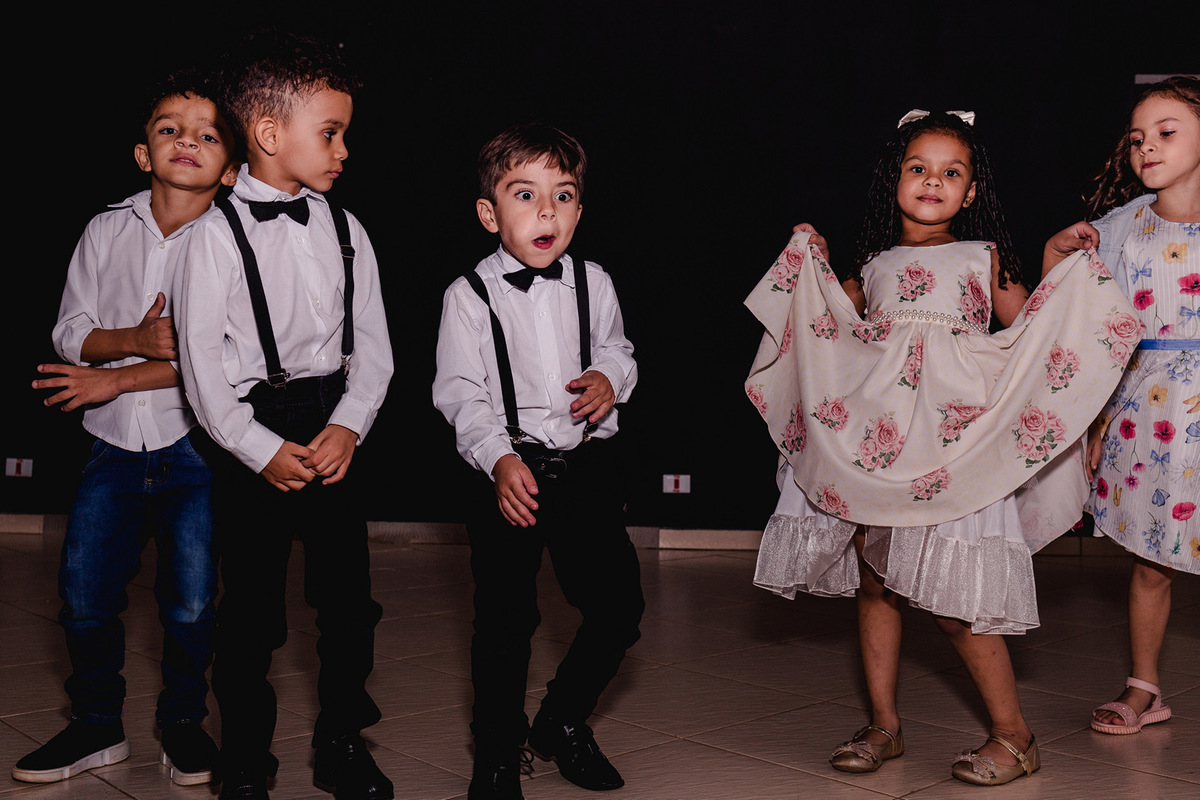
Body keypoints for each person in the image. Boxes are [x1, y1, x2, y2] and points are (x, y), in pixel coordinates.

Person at [745, 110, 1135, 786]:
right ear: (892, 179)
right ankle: (884, 725)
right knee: (875, 581)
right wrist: (813, 263)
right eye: (919, 168)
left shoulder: (982, 257)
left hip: (951, 444)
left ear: (973, 192)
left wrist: (1053, 258)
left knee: (956, 602)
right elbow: (823, 330)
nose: (934, 181)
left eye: (952, 172)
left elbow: (1033, 324)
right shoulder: (873, 265)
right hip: (878, 441)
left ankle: (1015, 736)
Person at [173, 32, 393, 800]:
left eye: (343, 134)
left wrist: (349, 425)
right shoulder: (209, 241)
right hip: (251, 437)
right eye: (330, 133)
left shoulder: (346, 227)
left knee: (348, 608)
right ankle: (245, 762)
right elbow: (201, 376)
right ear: (270, 135)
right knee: (252, 618)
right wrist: (259, 448)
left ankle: (340, 745)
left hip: (332, 421)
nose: (342, 150)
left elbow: (376, 351)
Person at [15, 72, 237, 786]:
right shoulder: (104, 229)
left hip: (196, 447)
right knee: (83, 593)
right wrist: (134, 337)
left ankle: (181, 725)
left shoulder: (235, 244)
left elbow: (230, 363)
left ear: (231, 167)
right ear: (144, 153)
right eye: (170, 128)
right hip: (111, 443)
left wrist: (118, 370)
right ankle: (96, 727)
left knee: (193, 600)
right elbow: (71, 333)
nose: (187, 141)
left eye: (208, 134)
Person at [433, 123, 643, 800]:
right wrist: (496, 459)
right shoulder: (468, 296)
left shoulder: (596, 282)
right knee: (504, 623)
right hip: (508, 475)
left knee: (618, 608)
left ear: (580, 210)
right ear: (490, 214)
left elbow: (618, 348)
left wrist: (612, 378)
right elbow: (460, 393)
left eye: (563, 195)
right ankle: (496, 754)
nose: (546, 211)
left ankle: (561, 720)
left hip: (586, 469)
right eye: (525, 195)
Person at [1048, 76, 1199, 736]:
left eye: (1167, 131)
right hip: (1152, 409)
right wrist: (1057, 251)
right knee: (1151, 561)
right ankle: (1144, 689)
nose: (1147, 146)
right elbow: (1077, 313)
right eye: (1138, 137)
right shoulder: (1120, 228)